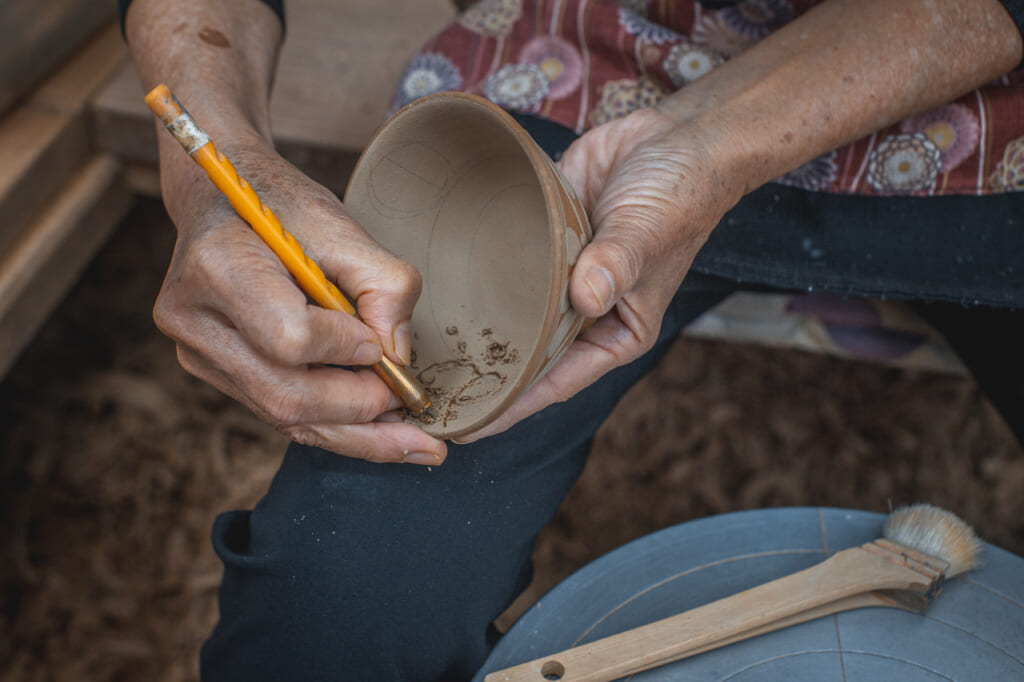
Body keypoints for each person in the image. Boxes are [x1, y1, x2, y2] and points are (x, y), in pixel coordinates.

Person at [120, 0, 1024, 678]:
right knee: (334, 602)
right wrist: (215, 172)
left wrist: (705, 142)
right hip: (593, 79)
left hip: (980, 121)